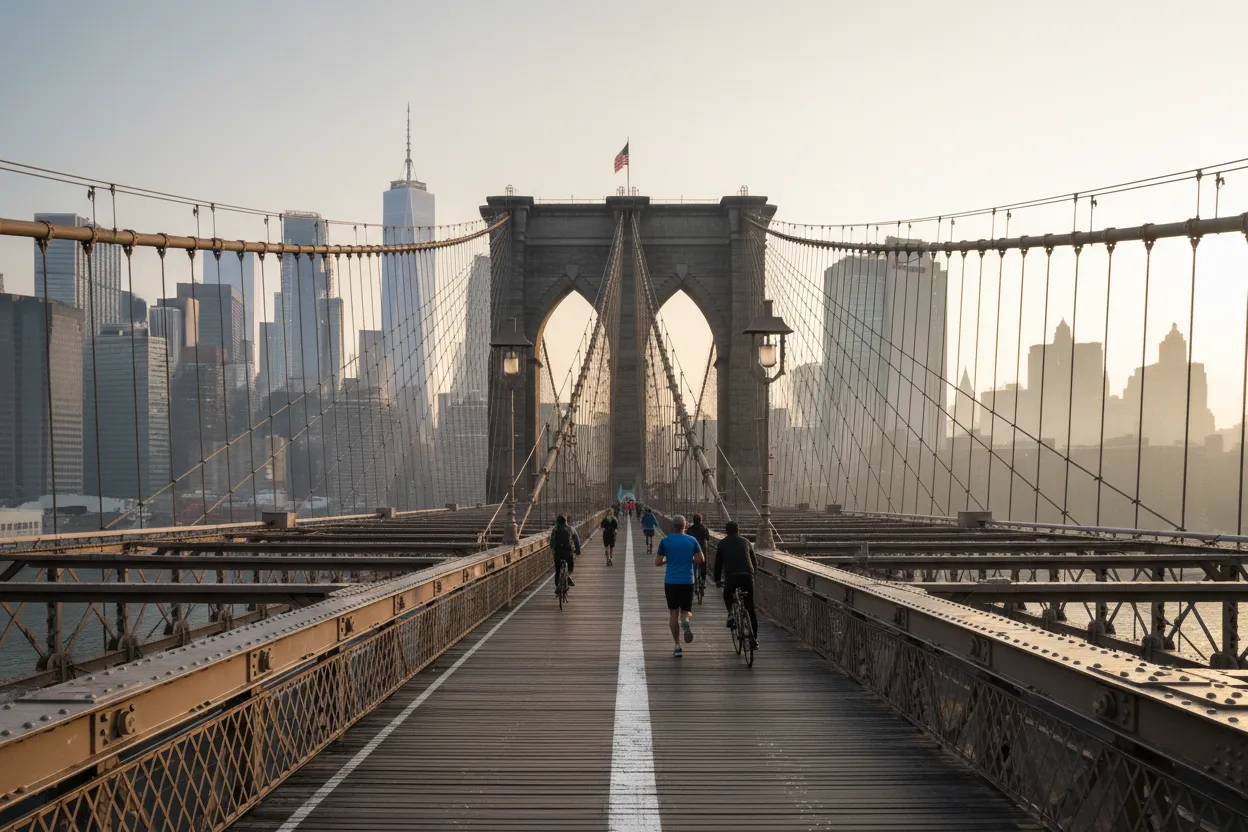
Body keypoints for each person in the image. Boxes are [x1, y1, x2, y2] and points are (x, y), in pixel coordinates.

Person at [655, 514, 705, 658]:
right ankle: (686, 621)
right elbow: (700, 559)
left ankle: (677, 645)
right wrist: (689, 558)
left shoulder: (665, 541)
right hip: (687, 581)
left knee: (673, 614)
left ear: (672, 526)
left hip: (671, 582)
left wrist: (667, 560)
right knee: (685, 611)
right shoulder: (692, 540)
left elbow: (657, 562)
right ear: (685, 526)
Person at [714, 521, 758, 649]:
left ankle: (731, 613)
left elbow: (718, 564)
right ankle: (753, 640)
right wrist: (753, 575)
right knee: (750, 609)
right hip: (747, 575)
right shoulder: (746, 542)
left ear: (726, 531)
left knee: (727, 595)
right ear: (739, 530)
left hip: (731, 576)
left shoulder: (722, 543)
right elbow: (754, 562)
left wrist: (717, 580)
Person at [549, 515, 581, 593]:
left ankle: (557, 587)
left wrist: (553, 549)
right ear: (565, 521)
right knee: (570, 565)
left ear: (557, 522)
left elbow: (552, 541)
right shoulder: (571, 529)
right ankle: (569, 576)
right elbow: (576, 540)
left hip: (558, 552)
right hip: (568, 552)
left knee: (557, 570)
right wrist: (578, 551)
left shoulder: (555, 529)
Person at [686, 513, 710, 587]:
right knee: (703, 564)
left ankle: (693, 581)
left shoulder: (689, 530)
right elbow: (708, 538)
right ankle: (703, 581)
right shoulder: (705, 529)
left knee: (692, 565)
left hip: (693, 550)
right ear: (701, 520)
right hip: (702, 550)